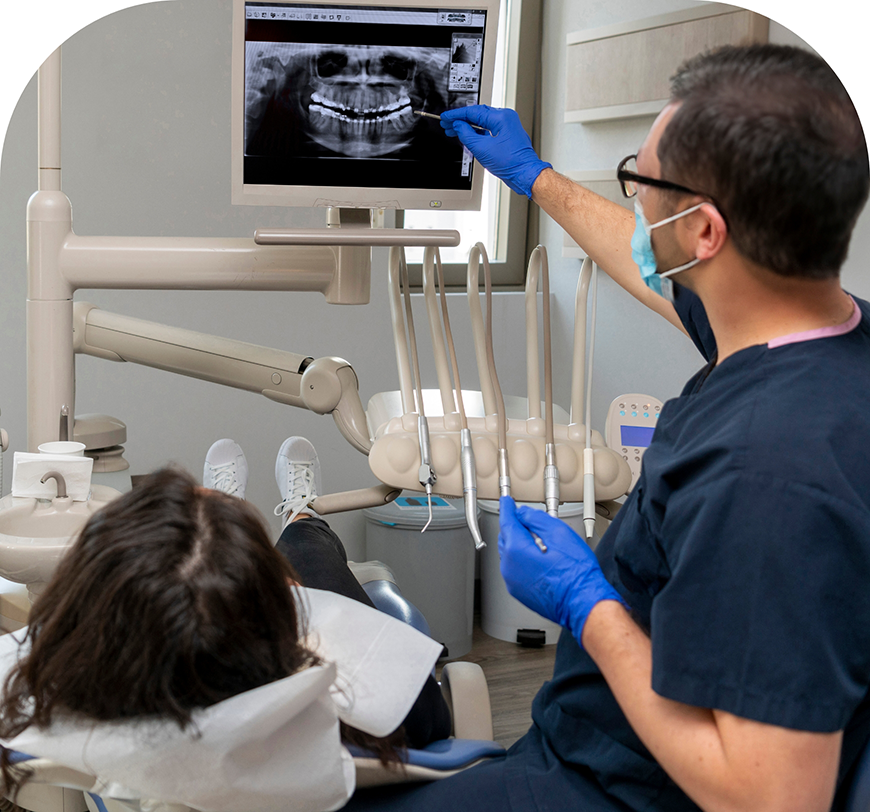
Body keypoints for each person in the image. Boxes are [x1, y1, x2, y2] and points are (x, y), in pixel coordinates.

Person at [345, 44, 870, 812]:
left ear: (706, 232)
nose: (635, 204)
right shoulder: (808, 328)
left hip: (614, 788)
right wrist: (534, 177)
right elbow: (649, 269)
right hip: (591, 746)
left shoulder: (767, 475)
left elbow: (772, 798)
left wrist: (584, 602)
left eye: (642, 181)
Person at [0, 437, 450, 801]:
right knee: (307, 550)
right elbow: (435, 728)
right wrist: (296, 615)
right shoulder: (366, 713)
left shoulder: (42, 699)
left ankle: (251, 552)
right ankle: (301, 516)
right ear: (276, 618)